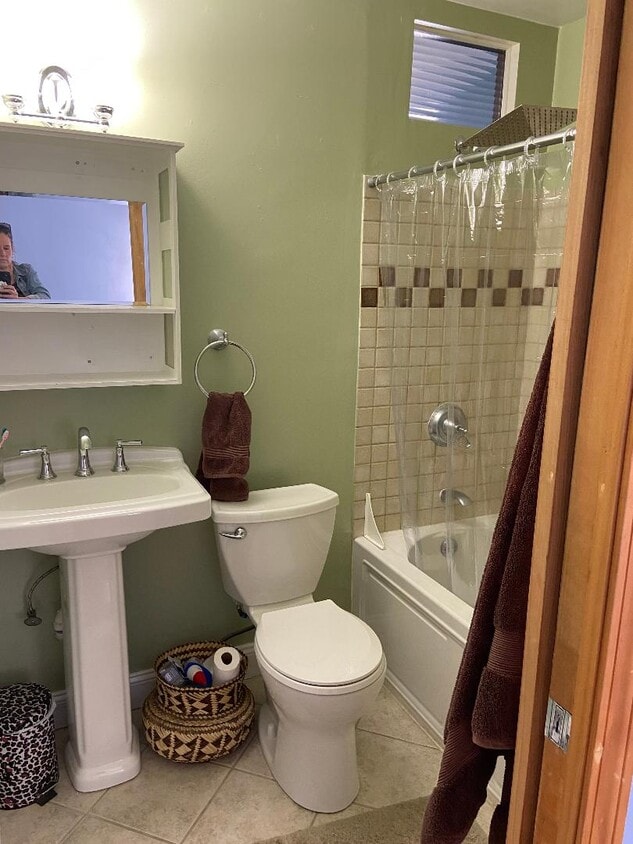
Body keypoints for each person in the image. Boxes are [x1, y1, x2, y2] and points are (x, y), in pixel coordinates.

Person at [0, 222, 50, 299]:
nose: (2, 253)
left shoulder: (25, 271)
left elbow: (45, 296)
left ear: (12, 249)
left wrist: (18, 300)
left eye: (6, 248)